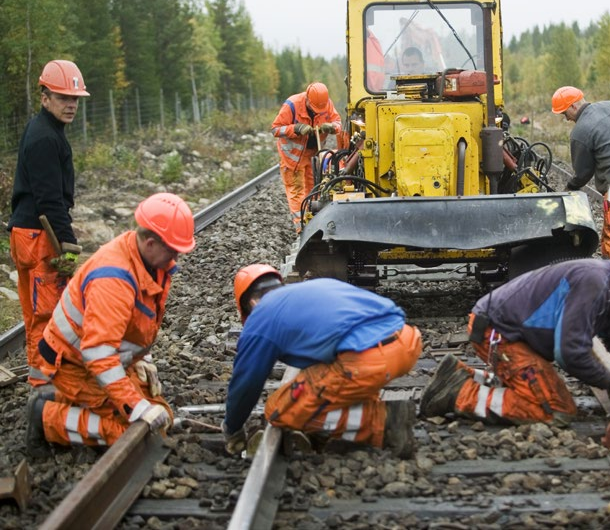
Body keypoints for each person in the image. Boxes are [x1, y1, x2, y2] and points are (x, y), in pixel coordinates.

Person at [419, 238, 610, 426]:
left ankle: (462, 376)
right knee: (556, 410)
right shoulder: (595, 282)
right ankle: (459, 393)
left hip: (508, 330)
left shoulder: (607, 279)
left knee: (548, 397)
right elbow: (569, 352)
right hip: (499, 334)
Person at [25, 193, 196, 457]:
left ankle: (63, 402)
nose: (176, 258)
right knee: (133, 432)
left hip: (99, 358)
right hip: (74, 366)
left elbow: (135, 321)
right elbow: (98, 354)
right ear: (151, 243)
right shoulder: (113, 280)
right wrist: (137, 409)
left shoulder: (146, 260)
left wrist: (142, 358)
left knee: (163, 416)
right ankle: (47, 417)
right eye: (173, 250)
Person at [222, 264, 423, 458]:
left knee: (278, 410)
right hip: (407, 340)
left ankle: (384, 422)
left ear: (250, 304)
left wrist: (232, 427)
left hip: (368, 359)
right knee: (325, 380)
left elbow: (246, 382)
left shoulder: (261, 316)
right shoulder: (311, 290)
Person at [8, 59, 90, 387]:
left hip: (28, 231)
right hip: (38, 235)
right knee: (47, 314)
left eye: (74, 99)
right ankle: (44, 387)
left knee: (38, 313)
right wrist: (68, 247)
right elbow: (49, 200)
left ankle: (42, 378)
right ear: (45, 98)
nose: (70, 105)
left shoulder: (45, 130)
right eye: (62, 98)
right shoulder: (45, 138)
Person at [552, 86, 610, 260]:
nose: (566, 119)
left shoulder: (580, 131)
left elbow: (582, 173)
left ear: (573, 106)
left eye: (565, 114)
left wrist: (570, 187)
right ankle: (607, 266)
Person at [271, 83, 342, 233]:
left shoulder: (326, 104)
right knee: (297, 191)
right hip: (293, 159)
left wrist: (331, 127)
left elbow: (338, 124)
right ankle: (301, 228)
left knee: (314, 189)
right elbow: (276, 129)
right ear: (308, 100)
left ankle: (314, 221)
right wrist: (295, 129)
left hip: (313, 156)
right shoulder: (292, 105)